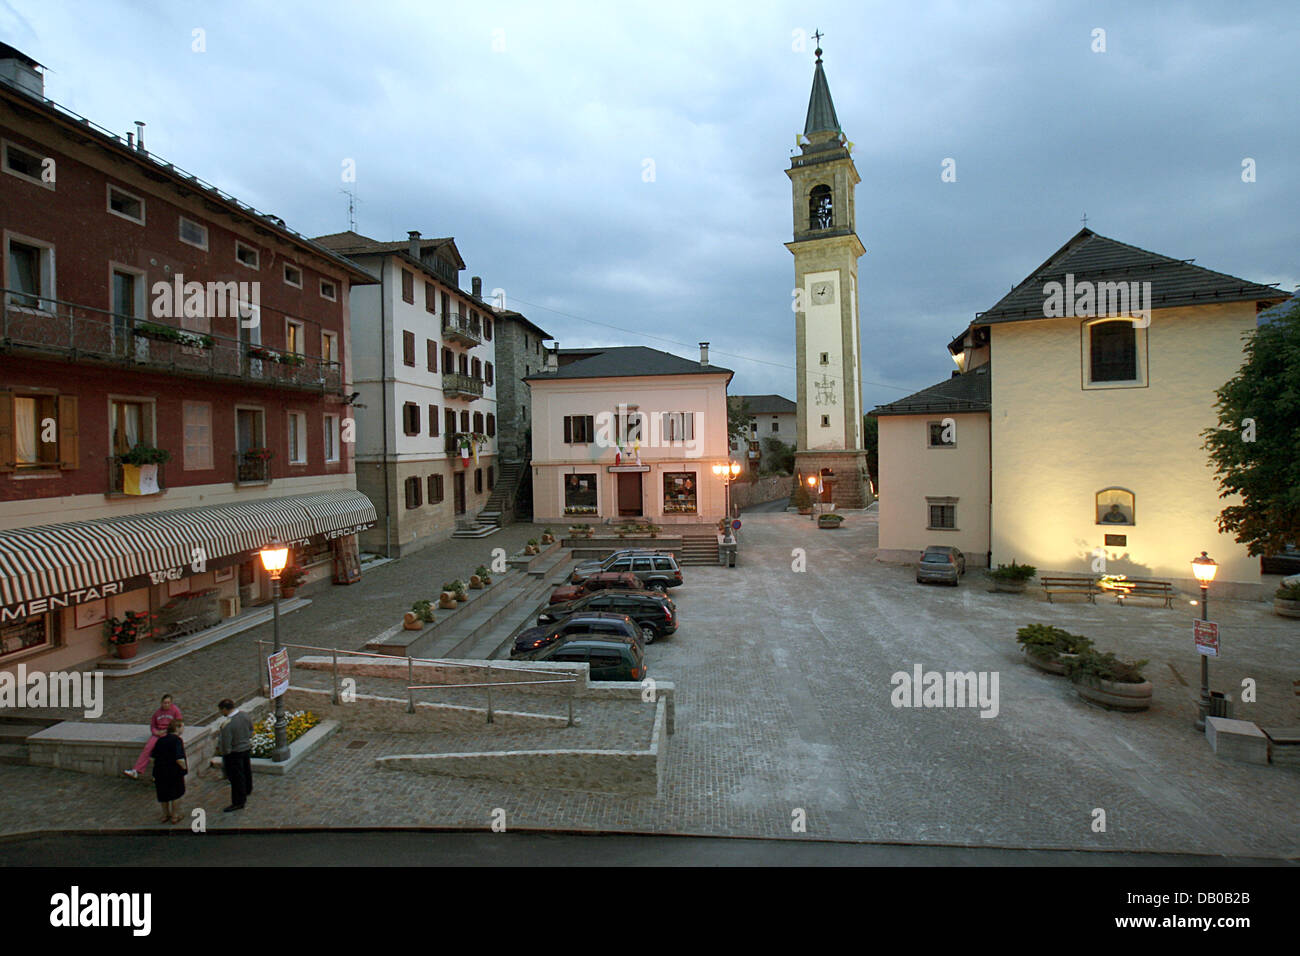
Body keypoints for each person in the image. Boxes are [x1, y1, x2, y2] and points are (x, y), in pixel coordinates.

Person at [124, 694, 182, 779]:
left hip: (169, 733)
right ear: (161, 703)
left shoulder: (175, 711)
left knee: (163, 750)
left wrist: (167, 731)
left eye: (168, 703)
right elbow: (152, 726)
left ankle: (160, 774)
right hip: (158, 733)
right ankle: (136, 770)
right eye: (164, 703)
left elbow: (179, 723)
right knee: (148, 748)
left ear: (171, 703)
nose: (166, 705)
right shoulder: (157, 713)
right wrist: (157, 732)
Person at [217, 698, 254, 812]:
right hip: (246, 748)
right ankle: (247, 789)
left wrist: (225, 754)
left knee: (236, 778)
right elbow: (251, 730)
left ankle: (238, 801)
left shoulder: (227, 724)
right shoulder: (244, 715)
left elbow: (226, 742)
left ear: (225, 709)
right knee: (246, 771)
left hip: (234, 752)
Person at [151, 719, 187, 824]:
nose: (183, 729)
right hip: (173, 772)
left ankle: (165, 815)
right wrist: (184, 768)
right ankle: (175, 816)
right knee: (176, 794)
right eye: (182, 727)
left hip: (160, 771)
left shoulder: (160, 740)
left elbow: (152, 758)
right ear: (177, 728)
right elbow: (179, 758)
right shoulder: (177, 740)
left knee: (163, 794)